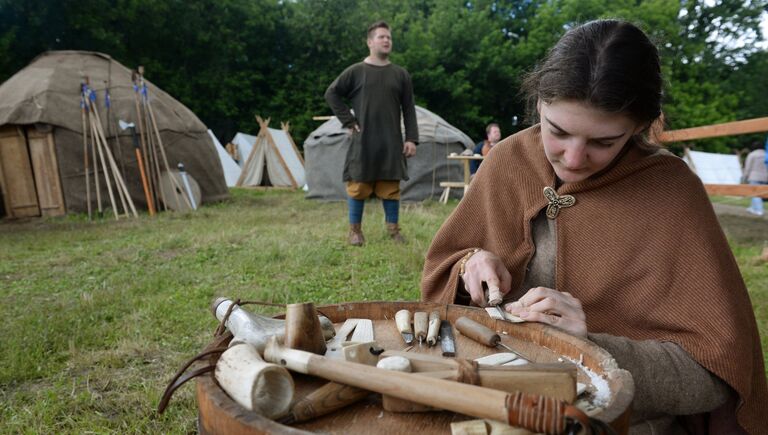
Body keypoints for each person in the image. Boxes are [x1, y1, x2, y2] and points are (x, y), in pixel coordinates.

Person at [421, 19, 766, 434]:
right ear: (539, 105)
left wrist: (591, 347)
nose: (572, 159)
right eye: (558, 132)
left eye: (603, 142)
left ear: (639, 127)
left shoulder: (671, 191)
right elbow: (442, 285)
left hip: (619, 421)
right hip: (489, 403)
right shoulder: (506, 161)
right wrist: (469, 263)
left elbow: (715, 375)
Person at [325, 21, 418, 246]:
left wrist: (412, 138)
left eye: (389, 37)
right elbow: (332, 93)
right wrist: (348, 120)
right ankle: (355, 232)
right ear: (369, 42)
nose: (387, 40)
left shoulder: (400, 74)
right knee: (358, 186)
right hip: (363, 139)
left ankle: (394, 231)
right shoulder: (356, 71)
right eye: (381, 37)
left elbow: (408, 108)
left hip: (391, 140)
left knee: (390, 187)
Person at [742, 141, 767, 216]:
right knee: (759, 194)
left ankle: (759, 210)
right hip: (766, 177)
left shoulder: (752, 154)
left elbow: (748, 167)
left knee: (754, 194)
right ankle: (752, 207)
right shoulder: (766, 154)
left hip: (754, 176)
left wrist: (744, 178)